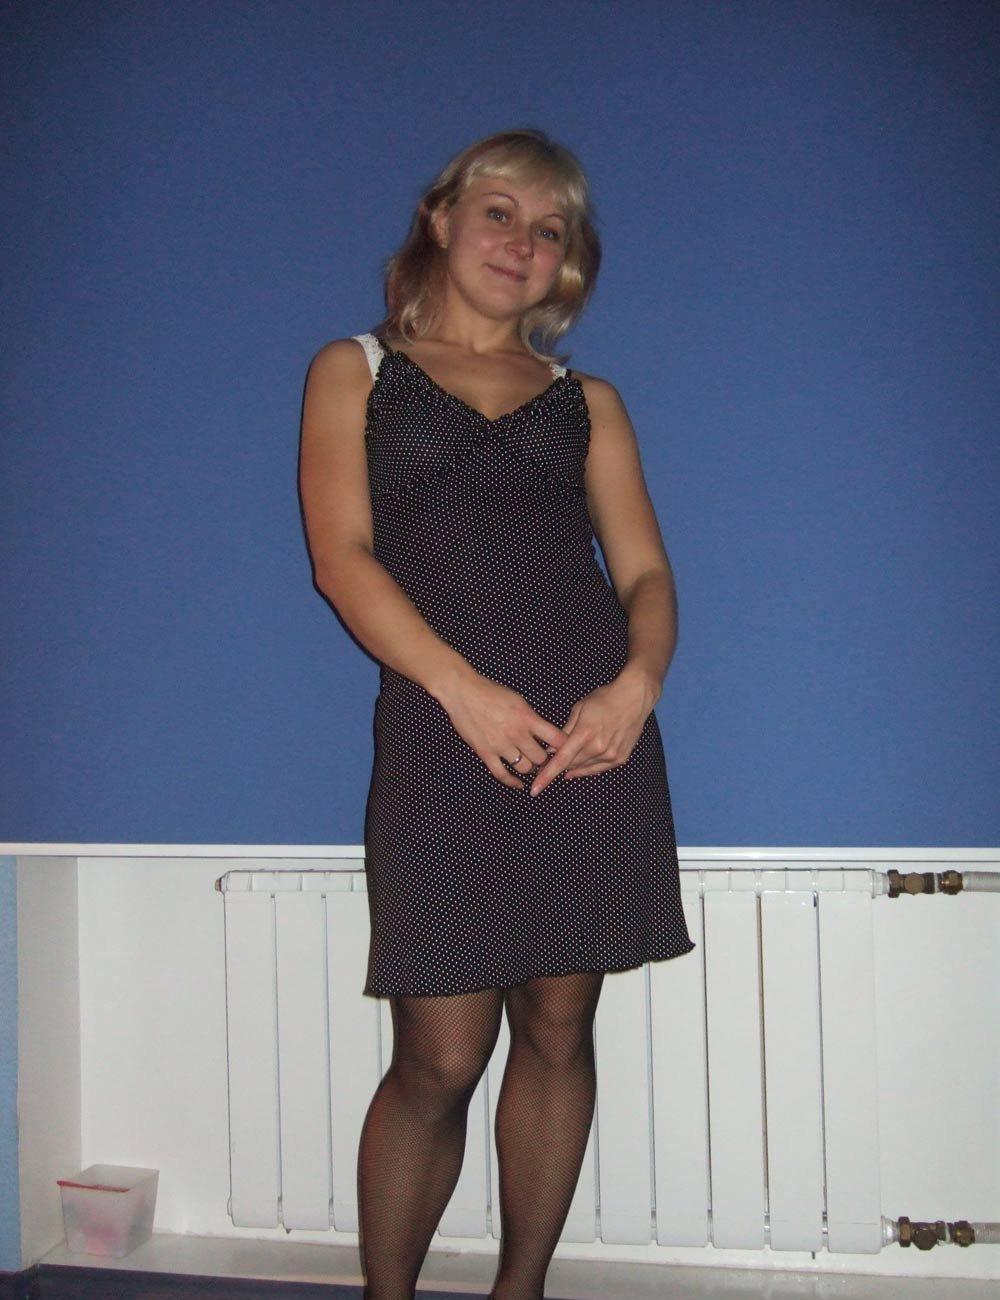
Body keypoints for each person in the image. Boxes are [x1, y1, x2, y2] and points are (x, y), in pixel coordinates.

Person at [299, 127, 695, 1300]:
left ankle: (520, 1290)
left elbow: (645, 575)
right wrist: (460, 688)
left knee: (561, 1028)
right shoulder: (355, 369)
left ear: (567, 263)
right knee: (438, 1056)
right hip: (441, 731)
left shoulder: (587, 401)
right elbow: (342, 558)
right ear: (441, 219)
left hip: (588, 741)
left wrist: (635, 688)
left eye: (549, 228)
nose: (523, 241)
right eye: (500, 212)